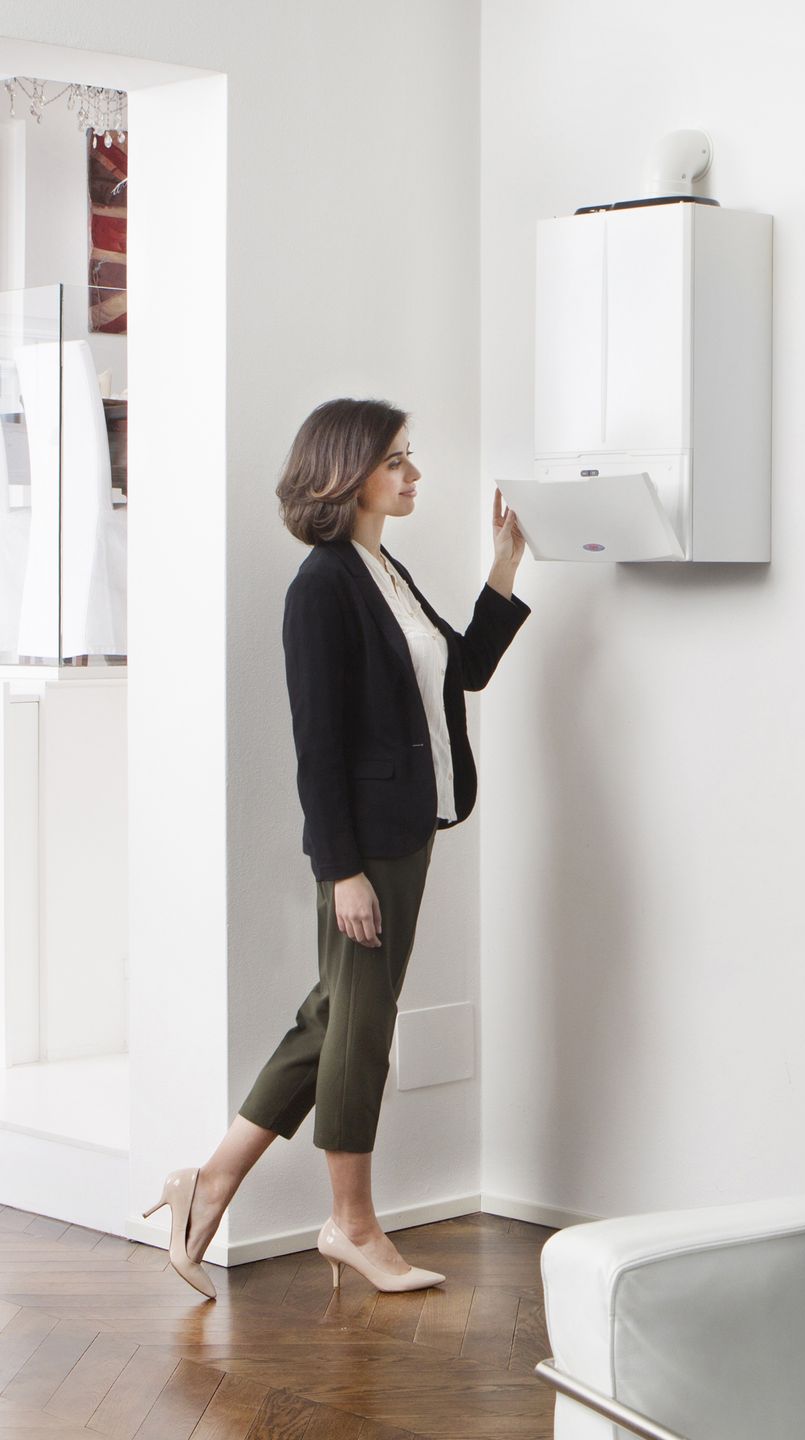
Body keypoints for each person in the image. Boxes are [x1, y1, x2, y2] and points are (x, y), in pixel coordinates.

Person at [143, 398, 530, 1299]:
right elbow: (316, 745)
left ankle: (209, 1180)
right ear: (351, 472)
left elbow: (462, 667)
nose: (414, 474)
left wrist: (505, 565)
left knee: (333, 1015)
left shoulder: (381, 567)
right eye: (398, 460)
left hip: (410, 828)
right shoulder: (321, 586)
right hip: (366, 847)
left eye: (409, 458)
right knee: (361, 1028)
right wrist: (341, 870)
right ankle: (350, 1225)